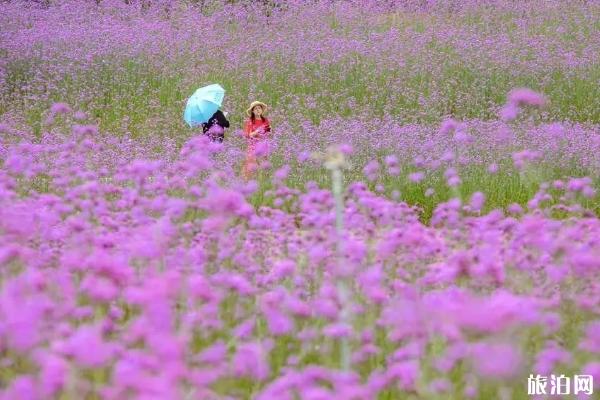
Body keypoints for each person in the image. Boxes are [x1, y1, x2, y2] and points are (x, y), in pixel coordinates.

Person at [242, 101, 271, 179]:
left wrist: (269, 131)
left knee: (264, 163)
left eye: (259, 108)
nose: (258, 110)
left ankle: (264, 179)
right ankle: (250, 180)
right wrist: (257, 131)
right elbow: (248, 135)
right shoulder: (250, 121)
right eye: (255, 109)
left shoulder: (265, 120)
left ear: (262, 110)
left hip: (264, 144)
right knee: (252, 164)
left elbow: (268, 132)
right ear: (253, 111)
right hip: (253, 145)